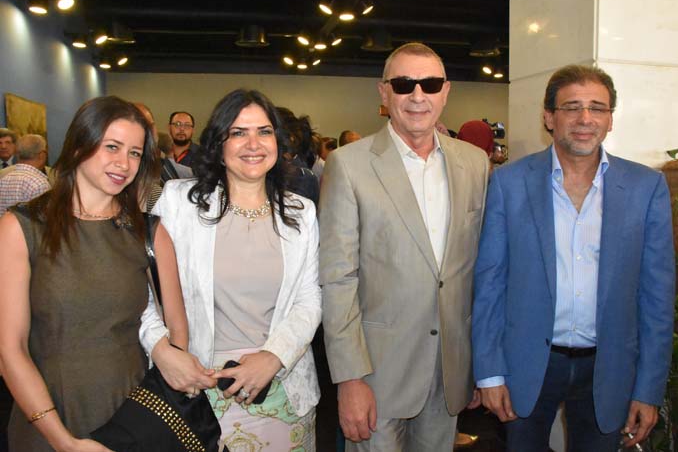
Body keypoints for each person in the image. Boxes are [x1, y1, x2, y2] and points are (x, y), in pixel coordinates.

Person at [472, 64, 675, 451]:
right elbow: (490, 284)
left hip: (608, 367)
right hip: (527, 365)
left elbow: (657, 298)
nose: (585, 118)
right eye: (572, 107)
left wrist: (648, 389)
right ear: (549, 117)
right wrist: (490, 373)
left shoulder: (645, 187)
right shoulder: (510, 183)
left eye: (597, 108)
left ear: (610, 119)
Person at [320, 42, 489, 451]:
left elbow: (479, 272)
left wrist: (478, 367)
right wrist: (350, 378)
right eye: (403, 84)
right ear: (384, 93)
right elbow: (337, 278)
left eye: (429, 84)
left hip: (449, 370)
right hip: (377, 373)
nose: (417, 95)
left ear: (445, 92)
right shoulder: (349, 165)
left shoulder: (475, 164)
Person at [0, 96, 194, 452]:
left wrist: (160, 393)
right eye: (112, 147)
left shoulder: (150, 233)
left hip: (131, 419)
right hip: (48, 418)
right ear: (79, 146)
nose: (124, 164)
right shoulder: (22, 228)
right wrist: (64, 442)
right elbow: (9, 349)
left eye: (135, 153)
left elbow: (177, 333)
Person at [142, 89, 322, 451]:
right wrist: (161, 349)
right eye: (238, 133)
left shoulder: (300, 211)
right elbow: (140, 289)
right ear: (218, 143)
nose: (253, 144)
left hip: (281, 391)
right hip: (196, 389)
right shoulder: (179, 201)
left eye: (264, 131)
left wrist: (274, 357)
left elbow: (310, 298)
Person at [0, 134, 50, 216]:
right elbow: (44, 219)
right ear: (42, 155)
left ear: (17, 154)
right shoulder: (39, 184)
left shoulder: (4, 179)